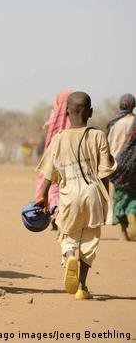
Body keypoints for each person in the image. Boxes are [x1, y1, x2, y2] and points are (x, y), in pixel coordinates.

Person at [36, 92, 116, 300]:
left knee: (67, 234)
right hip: (93, 193)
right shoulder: (98, 136)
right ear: (90, 112)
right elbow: (105, 172)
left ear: (67, 112)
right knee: (90, 239)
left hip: (69, 194)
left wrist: (42, 196)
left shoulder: (59, 138)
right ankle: (82, 287)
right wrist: (104, 197)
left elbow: (49, 172)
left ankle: (70, 255)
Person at [35, 90, 72, 231]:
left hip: (53, 158)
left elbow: (48, 131)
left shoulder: (53, 117)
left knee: (53, 188)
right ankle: (61, 216)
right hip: (70, 161)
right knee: (64, 189)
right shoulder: (75, 120)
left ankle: (55, 215)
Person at [106, 93, 136, 241]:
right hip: (134, 165)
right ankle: (132, 212)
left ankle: (123, 232)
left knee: (119, 196)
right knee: (133, 195)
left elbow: (107, 145)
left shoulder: (114, 123)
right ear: (133, 105)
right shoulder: (135, 122)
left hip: (118, 166)